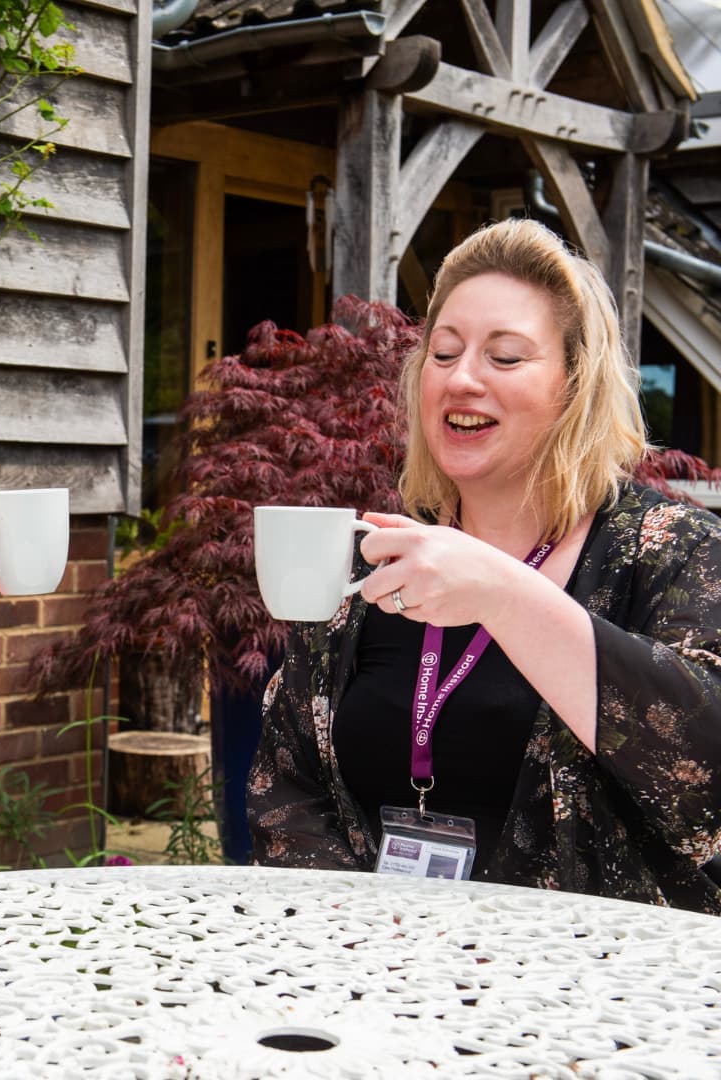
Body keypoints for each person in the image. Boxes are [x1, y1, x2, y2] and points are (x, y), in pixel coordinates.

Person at [247, 218, 721, 912]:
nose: (462, 379)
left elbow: (703, 769)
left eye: (505, 358)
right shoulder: (368, 563)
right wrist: (359, 935)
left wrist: (503, 593)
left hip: (598, 988)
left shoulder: (670, 550)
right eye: (443, 353)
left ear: (574, 384)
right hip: (378, 976)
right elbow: (283, 782)